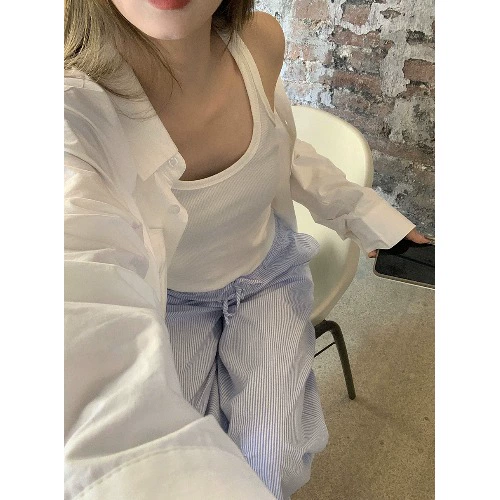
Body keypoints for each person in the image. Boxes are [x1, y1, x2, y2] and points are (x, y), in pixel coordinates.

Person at [64, 0, 430, 498]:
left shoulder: (261, 42)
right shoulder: (74, 104)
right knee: (189, 458)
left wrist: (372, 220)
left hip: (267, 276)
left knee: (272, 460)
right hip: (169, 300)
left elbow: (280, 147)